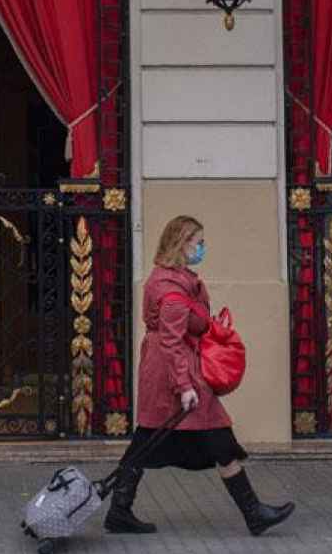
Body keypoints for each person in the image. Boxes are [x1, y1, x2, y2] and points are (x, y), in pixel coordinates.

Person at [105, 215, 296, 537]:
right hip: (174, 372)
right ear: (182, 244)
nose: (203, 248)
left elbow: (184, 329)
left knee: (148, 440)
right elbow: (172, 340)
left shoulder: (178, 279)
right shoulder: (170, 287)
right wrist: (184, 386)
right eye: (199, 243)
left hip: (170, 367)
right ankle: (254, 513)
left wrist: (209, 323)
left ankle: (119, 511)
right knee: (212, 433)